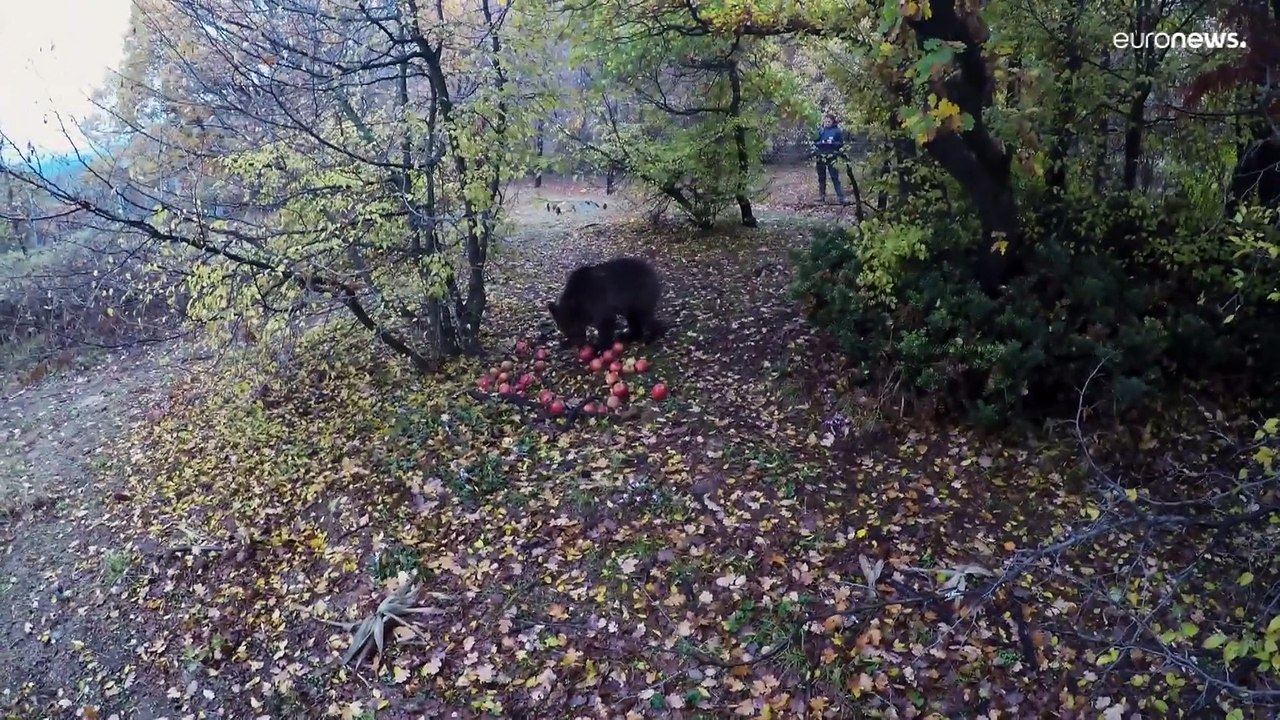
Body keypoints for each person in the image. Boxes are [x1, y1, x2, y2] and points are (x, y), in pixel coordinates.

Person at [814, 113, 848, 205]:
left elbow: (840, 144)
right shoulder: (821, 130)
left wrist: (832, 143)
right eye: (826, 121)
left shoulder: (836, 131)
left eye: (829, 121)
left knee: (834, 177)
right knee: (821, 177)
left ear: (832, 121)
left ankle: (842, 198)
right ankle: (821, 196)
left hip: (832, 156)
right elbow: (815, 142)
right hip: (821, 156)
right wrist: (822, 142)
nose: (827, 123)